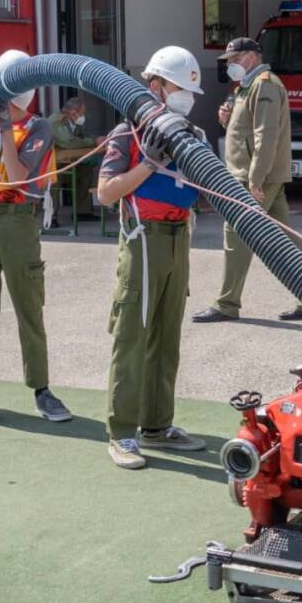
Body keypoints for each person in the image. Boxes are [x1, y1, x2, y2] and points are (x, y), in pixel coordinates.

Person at [96, 47, 211, 470]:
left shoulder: (193, 137)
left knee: (166, 336)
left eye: (189, 92)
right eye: (179, 88)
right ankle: (121, 432)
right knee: (132, 336)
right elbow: (106, 193)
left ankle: (158, 425)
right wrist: (148, 164)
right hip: (143, 240)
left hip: (180, 238)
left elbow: (206, 189)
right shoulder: (128, 134)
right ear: (156, 86)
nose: (186, 98)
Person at [0, 50, 73, 429]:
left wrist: (7, 131)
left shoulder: (39, 129)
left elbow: (20, 178)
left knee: (29, 309)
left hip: (19, 224)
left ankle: (41, 389)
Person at [192, 36, 302, 323]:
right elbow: (247, 129)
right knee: (286, 239)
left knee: (235, 234)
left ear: (251, 57)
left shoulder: (265, 84)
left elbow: (266, 134)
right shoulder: (248, 86)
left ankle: (227, 303)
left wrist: (255, 180)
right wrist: (226, 118)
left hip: (256, 176)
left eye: (235, 60)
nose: (231, 65)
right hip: (256, 175)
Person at [51, 95, 99, 223]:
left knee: (86, 169)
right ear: (73, 113)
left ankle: (82, 211)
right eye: (82, 113)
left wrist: (97, 140)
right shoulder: (57, 121)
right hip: (51, 166)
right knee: (55, 178)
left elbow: (82, 139)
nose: (84, 117)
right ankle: (50, 216)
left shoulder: (74, 124)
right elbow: (68, 143)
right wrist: (95, 141)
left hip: (67, 163)